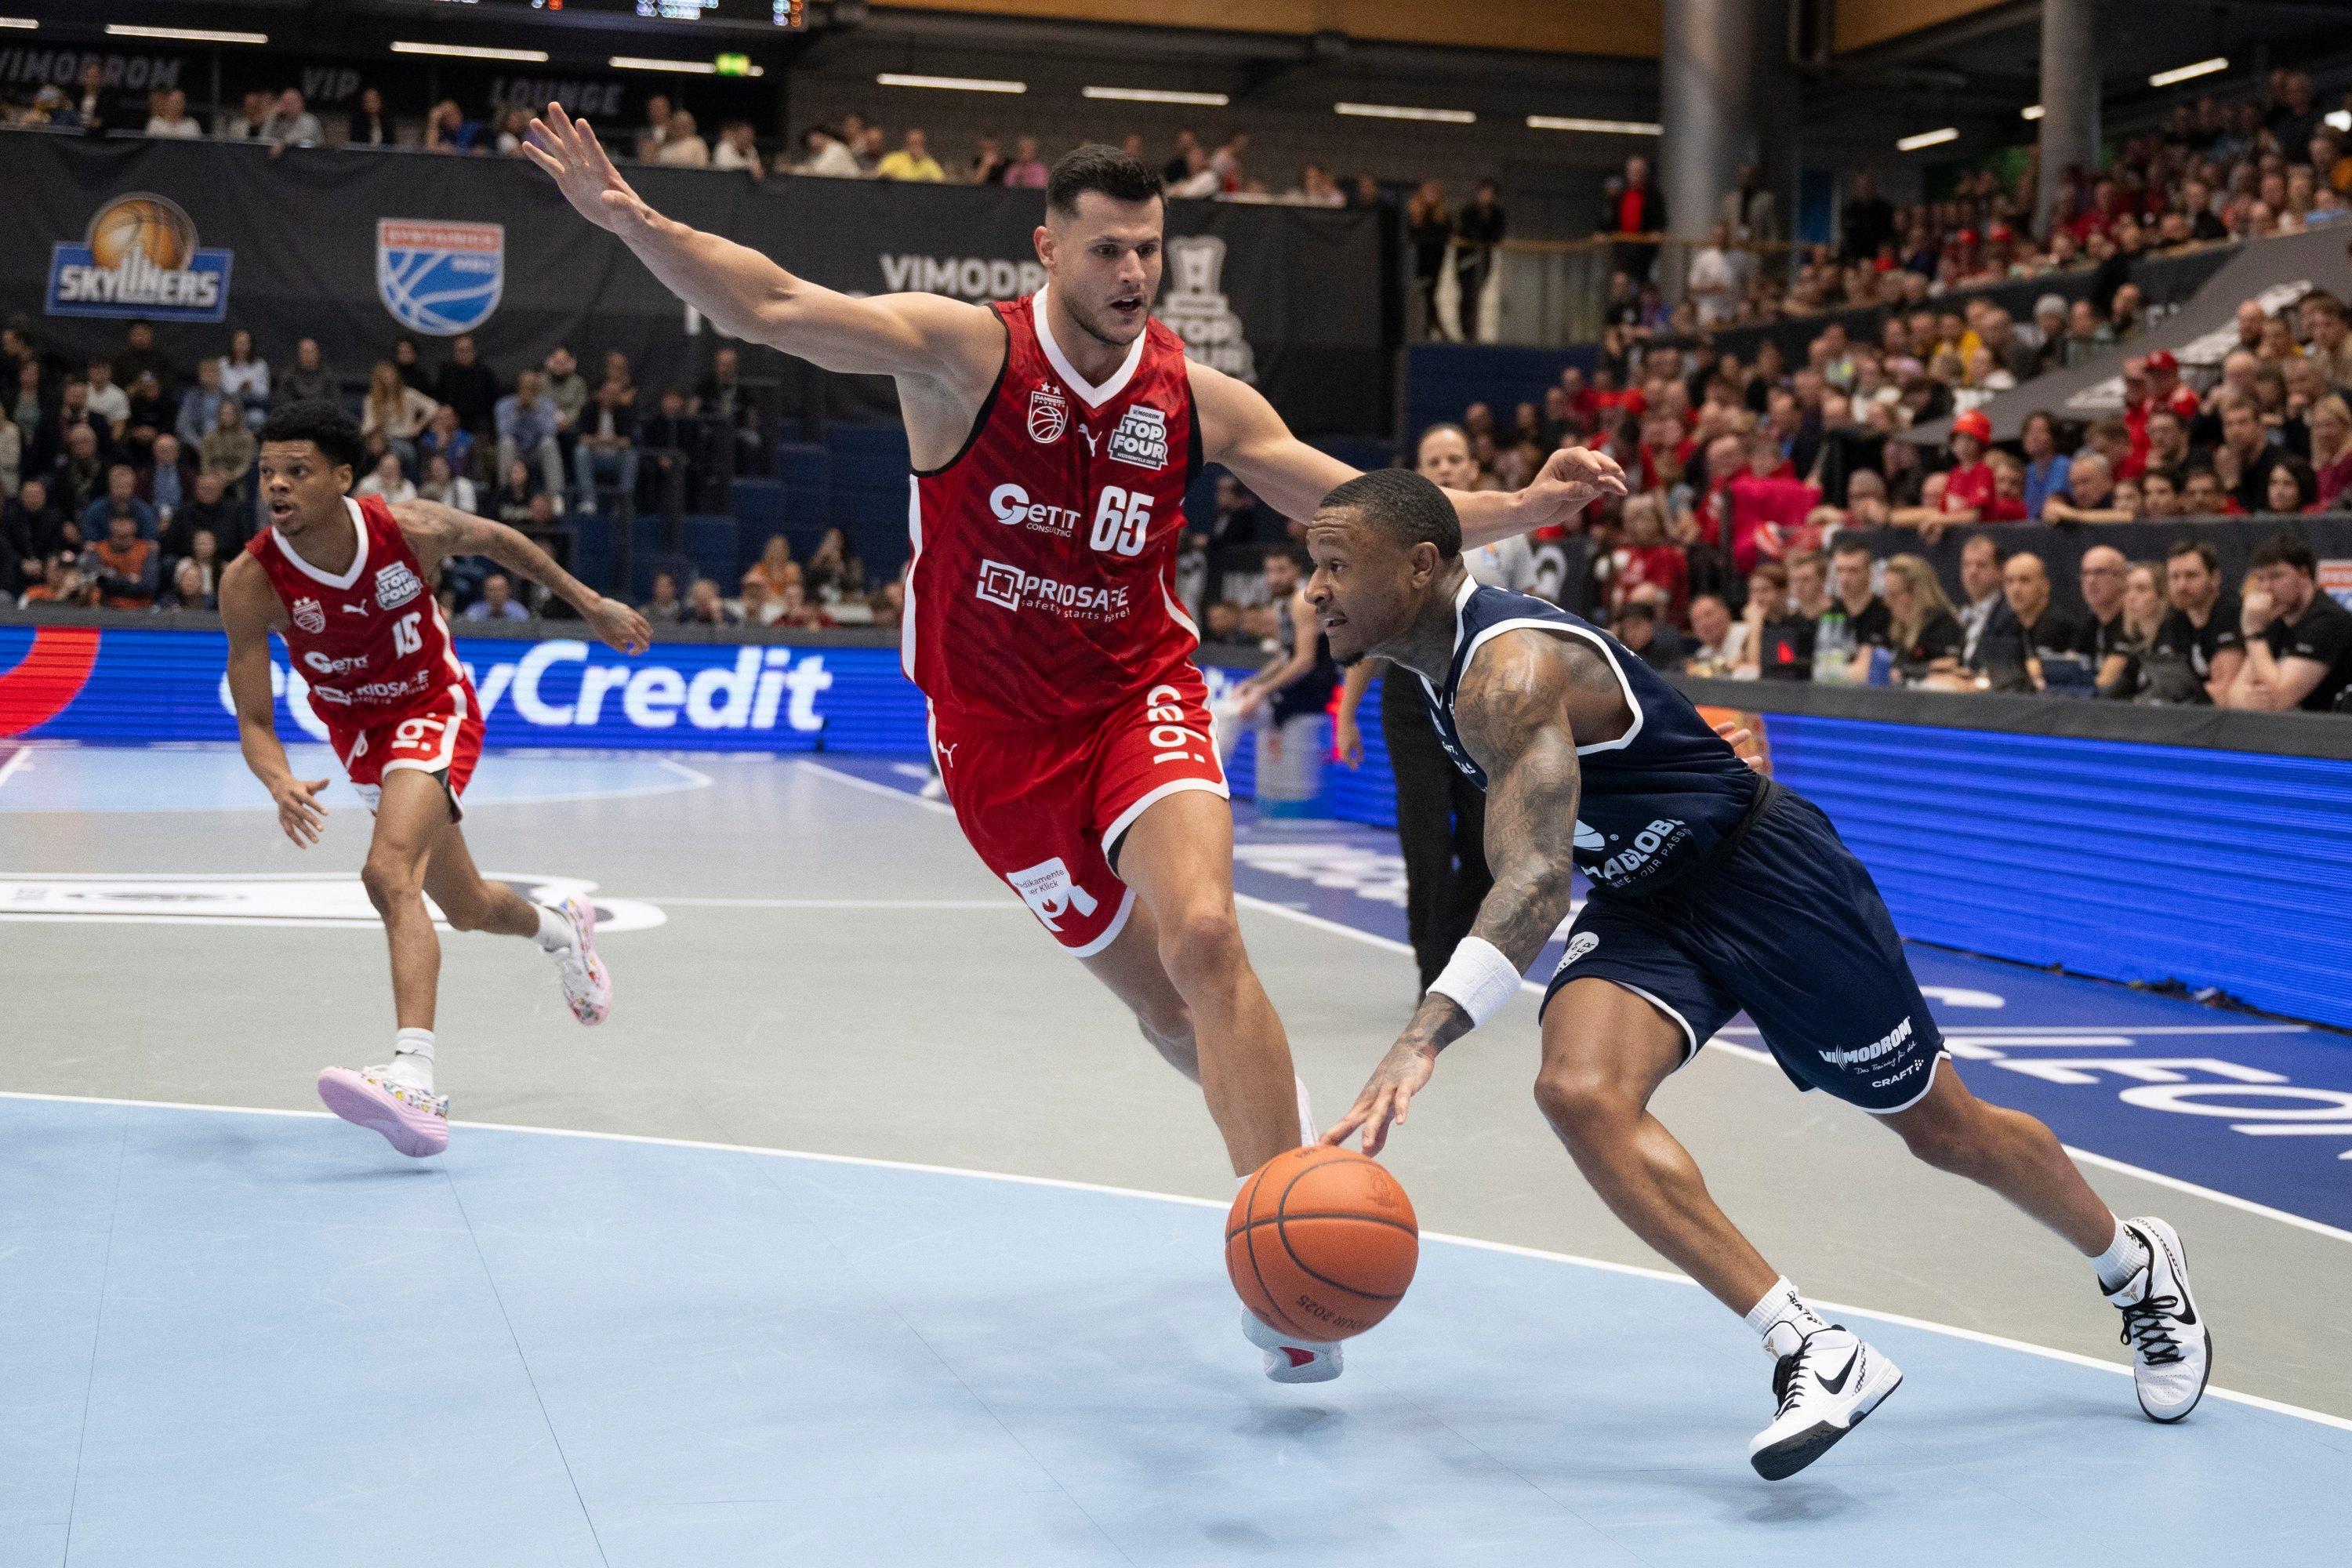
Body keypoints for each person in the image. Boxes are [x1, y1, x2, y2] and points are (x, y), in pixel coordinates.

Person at [527, 115, 1625, 1381]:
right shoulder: (959, 355)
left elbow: (1357, 505)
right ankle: (1274, 1154)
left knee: (1207, 935)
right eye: (1107, 250)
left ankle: (1284, 1235)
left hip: (1136, 695)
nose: (1132, 274)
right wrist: (629, 218)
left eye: (1149, 251)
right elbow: (773, 301)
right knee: (1163, 1003)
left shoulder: (1193, 395)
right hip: (996, 742)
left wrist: (1527, 506)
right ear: (1048, 250)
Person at [1308, 466, 2209, 1479]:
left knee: (1946, 1132)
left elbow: (1533, 883)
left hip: (1765, 876)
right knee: (1578, 1090)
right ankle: (1814, 1348)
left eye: (1337, 567)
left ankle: (2134, 1266)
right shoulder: (1431, 673)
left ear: (1420, 568)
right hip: (1651, 899)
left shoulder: (1508, 675)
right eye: (1315, 568)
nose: (1314, 591)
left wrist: (1423, 1034)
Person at [219, 401, 650, 1158]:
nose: (277, 487)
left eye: (297, 472)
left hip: (431, 706)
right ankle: (562, 932)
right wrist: (278, 779)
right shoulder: (252, 581)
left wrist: (591, 606)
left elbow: (506, 544)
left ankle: (412, 1078)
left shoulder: (407, 530)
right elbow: (255, 720)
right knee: (469, 907)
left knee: (387, 872)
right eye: (267, 474)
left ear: (342, 479)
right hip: (360, 739)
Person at [1333, 424, 1514, 997]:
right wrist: (1346, 713)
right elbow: (1368, 631)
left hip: (1481, 696)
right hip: (1411, 696)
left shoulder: (1509, 538)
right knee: (1425, 835)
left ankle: (1456, 953)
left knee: (1488, 848)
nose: (1446, 467)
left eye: (1456, 458)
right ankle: (1433, 975)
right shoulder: (1389, 540)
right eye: (1434, 459)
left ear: (1471, 470)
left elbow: (1526, 625)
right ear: (1419, 471)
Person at [2227, 531, 2352, 711]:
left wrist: (2254, 635)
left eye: (2276, 576)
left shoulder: (2329, 621)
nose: (2266, 588)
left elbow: (2278, 700)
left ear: (2304, 574)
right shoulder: (2274, 619)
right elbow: (2232, 697)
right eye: (2260, 579)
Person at [2148, 539, 2245, 705]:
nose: (2182, 585)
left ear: (2214, 578)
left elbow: (2223, 693)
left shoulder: (2232, 613)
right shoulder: (2172, 621)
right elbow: (2164, 685)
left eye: (2191, 576)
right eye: (2174, 577)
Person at [1880, 553, 1965, 684]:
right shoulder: (1898, 629)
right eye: (1887, 594)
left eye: (1894, 595)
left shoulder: (1942, 626)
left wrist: (1906, 672)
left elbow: (1951, 664)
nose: (1887, 602)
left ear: (1916, 593)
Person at [463, 571, 530, 621]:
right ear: (485, 592)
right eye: (492, 590)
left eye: (500, 590)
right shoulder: (474, 612)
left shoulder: (519, 612)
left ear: (508, 591)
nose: (496, 594)